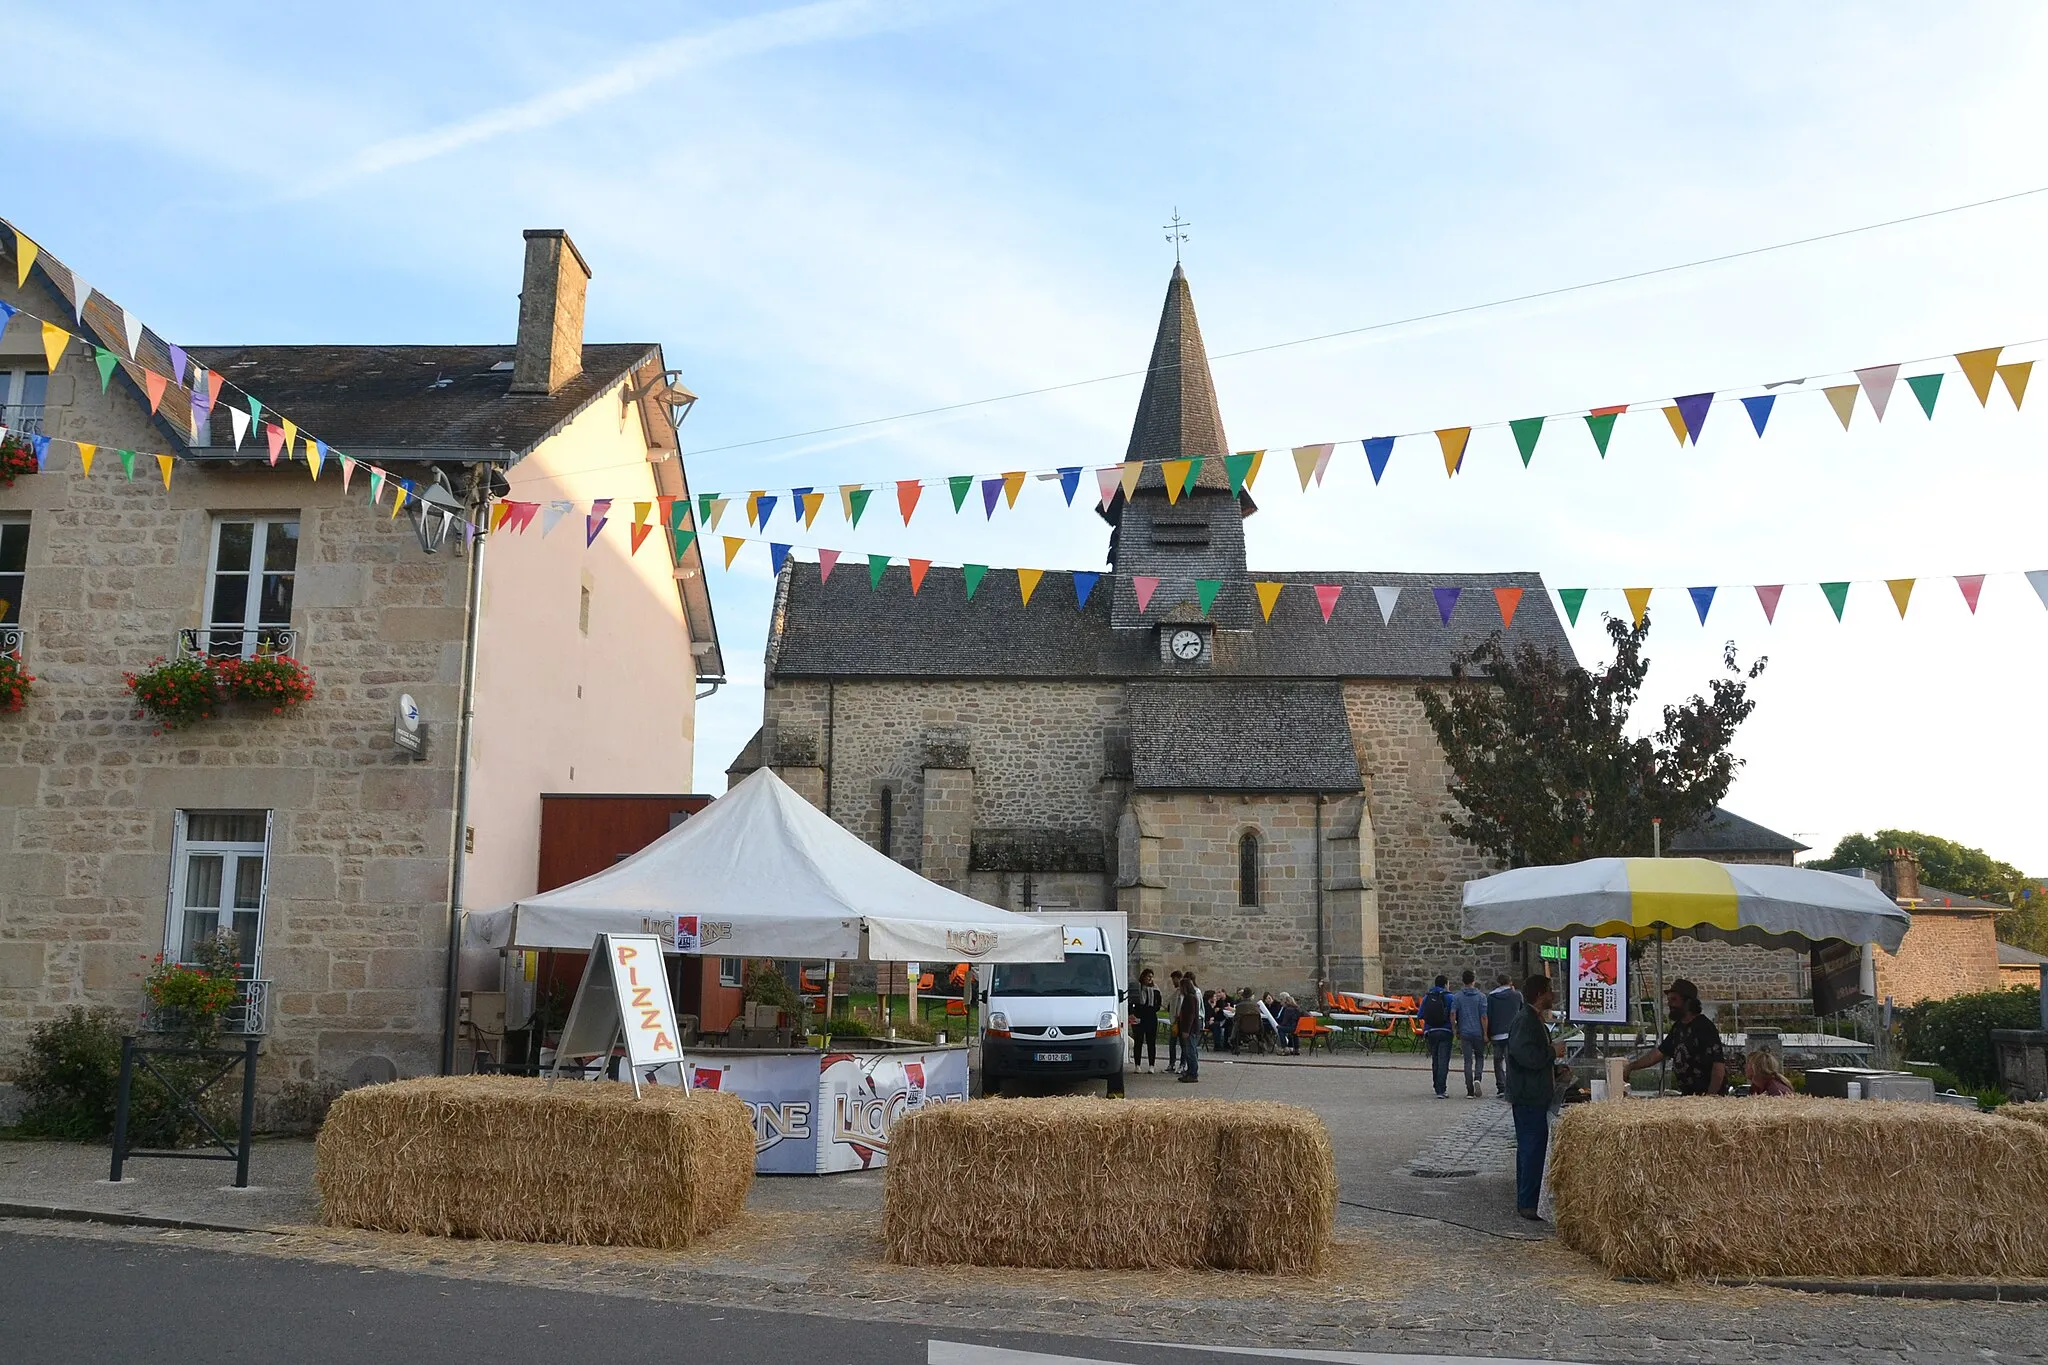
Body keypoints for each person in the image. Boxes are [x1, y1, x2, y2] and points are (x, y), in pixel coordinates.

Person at [1505, 973, 1565, 1220]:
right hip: (1528, 1096)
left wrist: (1555, 1069)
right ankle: (1528, 1202)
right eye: (1550, 990)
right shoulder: (1525, 1021)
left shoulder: (1532, 1019)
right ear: (1540, 994)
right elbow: (1527, 1056)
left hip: (1534, 1093)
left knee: (1532, 1148)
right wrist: (1552, 1052)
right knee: (1531, 1149)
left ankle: (1528, 1199)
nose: (1553, 995)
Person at [1623, 978, 1728, 1096]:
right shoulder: (1678, 1027)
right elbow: (1658, 1054)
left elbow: (1718, 1066)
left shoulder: (1704, 1027)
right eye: (1669, 1000)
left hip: (1705, 1097)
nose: (1669, 1004)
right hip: (1689, 1097)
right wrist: (1631, 1066)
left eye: (1674, 1000)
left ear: (1688, 1002)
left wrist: (1711, 1097)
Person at [1452, 969, 1490, 1099]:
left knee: (1467, 1061)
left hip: (1465, 1032)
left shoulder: (1457, 997)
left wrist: (1455, 1028)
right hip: (1478, 1032)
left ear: (1463, 981)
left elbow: (1452, 1014)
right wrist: (1485, 1033)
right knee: (1479, 1057)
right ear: (1474, 981)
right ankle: (1477, 1078)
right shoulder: (1481, 997)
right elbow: (1484, 1017)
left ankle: (1469, 1090)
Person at [1419, 974, 1455, 1098]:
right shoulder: (1450, 997)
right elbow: (1454, 1014)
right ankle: (1442, 1089)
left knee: (1435, 1060)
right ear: (1446, 984)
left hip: (1431, 1031)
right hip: (1445, 1031)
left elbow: (1420, 1015)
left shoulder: (1427, 997)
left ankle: (1436, 1086)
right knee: (1443, 1061)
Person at [1486, 973, 1521, 1097]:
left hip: (1496, 1033)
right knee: (1511, 1061)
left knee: (1498, 1060)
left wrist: (1487, 1033)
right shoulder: (1516, 995)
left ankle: (1501, 1086)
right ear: (1510, 982)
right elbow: (1522, 1012)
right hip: (1512, 1033)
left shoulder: (1491, 997)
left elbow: (1488, 1016)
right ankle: (1512, 1086)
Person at [1130, 968, 1163, 1073]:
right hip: (1139, 1016)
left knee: (1151, 1042)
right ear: (1143, 976)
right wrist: (1133, 1013)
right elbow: (1131, 1002)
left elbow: (1158, 1003)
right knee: (1138, 1041)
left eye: (1151, 976)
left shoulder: (1155, 989)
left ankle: (1151, 1065)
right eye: (1148, 976)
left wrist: (1153, 1008)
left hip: (1151, 1017)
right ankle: (1137, 1065)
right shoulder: (1138, 989)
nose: (1150, 978)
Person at [1175, 971, 1203, 1083]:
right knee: (1188, 1050)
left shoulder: (1190, 998)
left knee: (1190, 1051)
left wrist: (1186, 1030)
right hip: (1188, 1028)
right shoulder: (1190, 997)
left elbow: (1190, 1015)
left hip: (1189, 1029)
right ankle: (1190, 1071)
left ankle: (1193, 1073)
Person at [1164, 970, 1184, 1074]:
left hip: (1180, 1021)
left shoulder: (1182, 992)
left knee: (1182, 1044)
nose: (1173, 982)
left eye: (1174, 979)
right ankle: (1172, 1063)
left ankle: (1182, 1064)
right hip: (1174, 1022)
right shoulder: (1176, 992)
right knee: (1172, 1043)